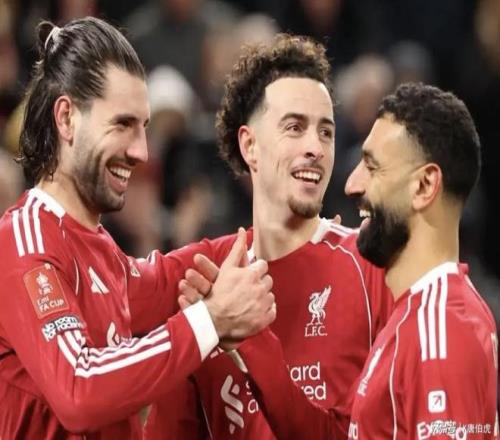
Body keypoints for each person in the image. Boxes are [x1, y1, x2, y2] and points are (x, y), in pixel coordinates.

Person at [0, 17, 276, 438]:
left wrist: (276, 234)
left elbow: (166, 277)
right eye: (122, 125)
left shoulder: (98, 248)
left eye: (144, 128)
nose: (142, 151)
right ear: (67, 118)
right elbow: (79, 388)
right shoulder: (24, 244)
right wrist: (210, 320)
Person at [213, 83, 498, 439]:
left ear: (425, 186)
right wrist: (255, 342)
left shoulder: (439, 330)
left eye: (372, 168)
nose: (351, 184)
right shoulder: (414, 318)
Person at [144, 34, 393, 439]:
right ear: (250, 145)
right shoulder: (206, 282)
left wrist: (252, 344)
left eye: (326, 132)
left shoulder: (371, 269)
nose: (315, 148)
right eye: (295, 127)